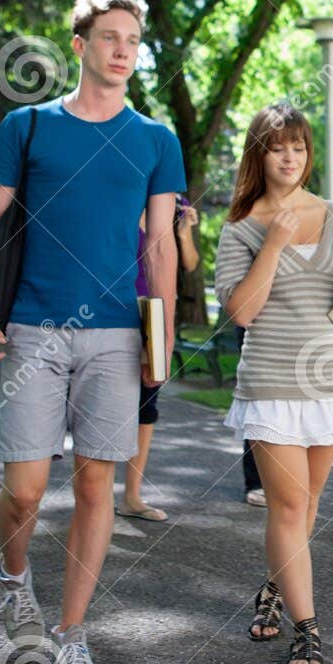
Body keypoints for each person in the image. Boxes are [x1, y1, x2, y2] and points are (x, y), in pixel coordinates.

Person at [0, 0, 185, 664]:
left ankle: (73, 636)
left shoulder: (156, 138)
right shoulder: (27, 127)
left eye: (132, 40)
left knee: (96, 484)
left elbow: (161, 242)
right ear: (80, 44)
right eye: (108, 36)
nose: (122, 48)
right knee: (23, 491)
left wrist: (165, 330)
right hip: (33, 327)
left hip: (118, 333)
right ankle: (14, 579)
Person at [212, 103, 333, 664]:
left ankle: (273, 590)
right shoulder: (239, 227)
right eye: (278, 146)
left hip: (330, 379)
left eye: (300, 147)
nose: (290, 157)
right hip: (272, 382)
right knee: (287, 504)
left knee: (306, 506)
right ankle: (308, 632)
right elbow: (241, 311)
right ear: (258, 154)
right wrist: (272, 245)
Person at [117, 195, 202, 521]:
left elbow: (190, 264)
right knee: (109, 402)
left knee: (146, 404)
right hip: (114, 311)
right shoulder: (120, 191)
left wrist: (184, 233)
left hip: (154, 314)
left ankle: (131, 496)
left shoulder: (172, 205)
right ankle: (94, 496)